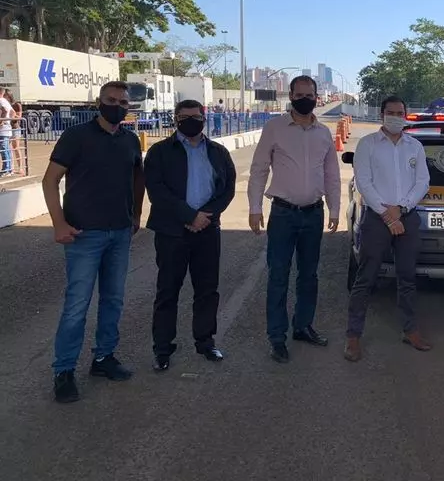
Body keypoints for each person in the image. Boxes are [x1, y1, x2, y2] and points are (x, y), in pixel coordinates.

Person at [42, 81, 144, 403]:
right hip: (84, 235)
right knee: (77, 305)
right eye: (111, 100)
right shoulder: (76, 136)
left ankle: (103, 357)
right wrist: (59, 223)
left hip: (119, 233)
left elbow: (137, 178)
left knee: (113, 300)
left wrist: (136, 215)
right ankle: (64, 370)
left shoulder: (130, 140)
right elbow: (50, 180)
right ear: (98, 102)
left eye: (123, 102)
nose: (117, 106)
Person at [248, 76, 341, 364]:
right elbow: (259, 168)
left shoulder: (324, 133)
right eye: (299, 95)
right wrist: (254, 207)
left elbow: (332, 174)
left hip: (314, 214)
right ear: (290, 96)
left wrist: (334, 210)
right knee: (278, 274)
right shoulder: (274, 128)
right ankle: (277, 337)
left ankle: (303, 326)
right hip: (283, 214)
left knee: (309, 275)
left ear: (317, 96)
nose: (304, 99)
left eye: (309, 95)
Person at [144, 99, 237, 371]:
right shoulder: (160, 152)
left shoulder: (218, 152)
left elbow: (227, 188)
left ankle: (205, 342)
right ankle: (162, 349)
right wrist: (189, 216)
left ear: (204, 118)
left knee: (207, 290)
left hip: (207, 230)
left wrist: (206, 215)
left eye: (196, 117)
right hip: (171, 233)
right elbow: (157, 191)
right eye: (185, 118)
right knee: (167, 291)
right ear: (176, 120)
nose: (191, 122)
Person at [344, 96, 431, 361]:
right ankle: (353, 336)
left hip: (407, 217)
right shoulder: (367, 144)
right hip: (376, 219)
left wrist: (401, 209)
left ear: (406, 114)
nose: (395, 117)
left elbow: (423, 182)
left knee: (407, 277)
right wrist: (387, 214)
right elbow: (364, 182)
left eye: (400, 112)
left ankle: (410, 330)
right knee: (365, 278)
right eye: (391, 113)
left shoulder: (414, 146)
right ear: (382, 114)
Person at [8, 91, 24, 175]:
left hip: (15, 128)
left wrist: (11, 115)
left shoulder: (16, 105)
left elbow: (19, 117)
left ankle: (20, 168)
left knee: (16, 147)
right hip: (7, 128)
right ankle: (11, 167)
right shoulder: (4, 104)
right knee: (8, 148)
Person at [0, 87, 12, 177]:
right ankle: (9, 168)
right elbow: (12, 112)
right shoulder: (5, 101)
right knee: (6, 149)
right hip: (7, 127)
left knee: (4, 149)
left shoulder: (1, 101)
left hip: (3, 128)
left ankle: (6, 169)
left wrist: (1, 121)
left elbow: (5, 110)